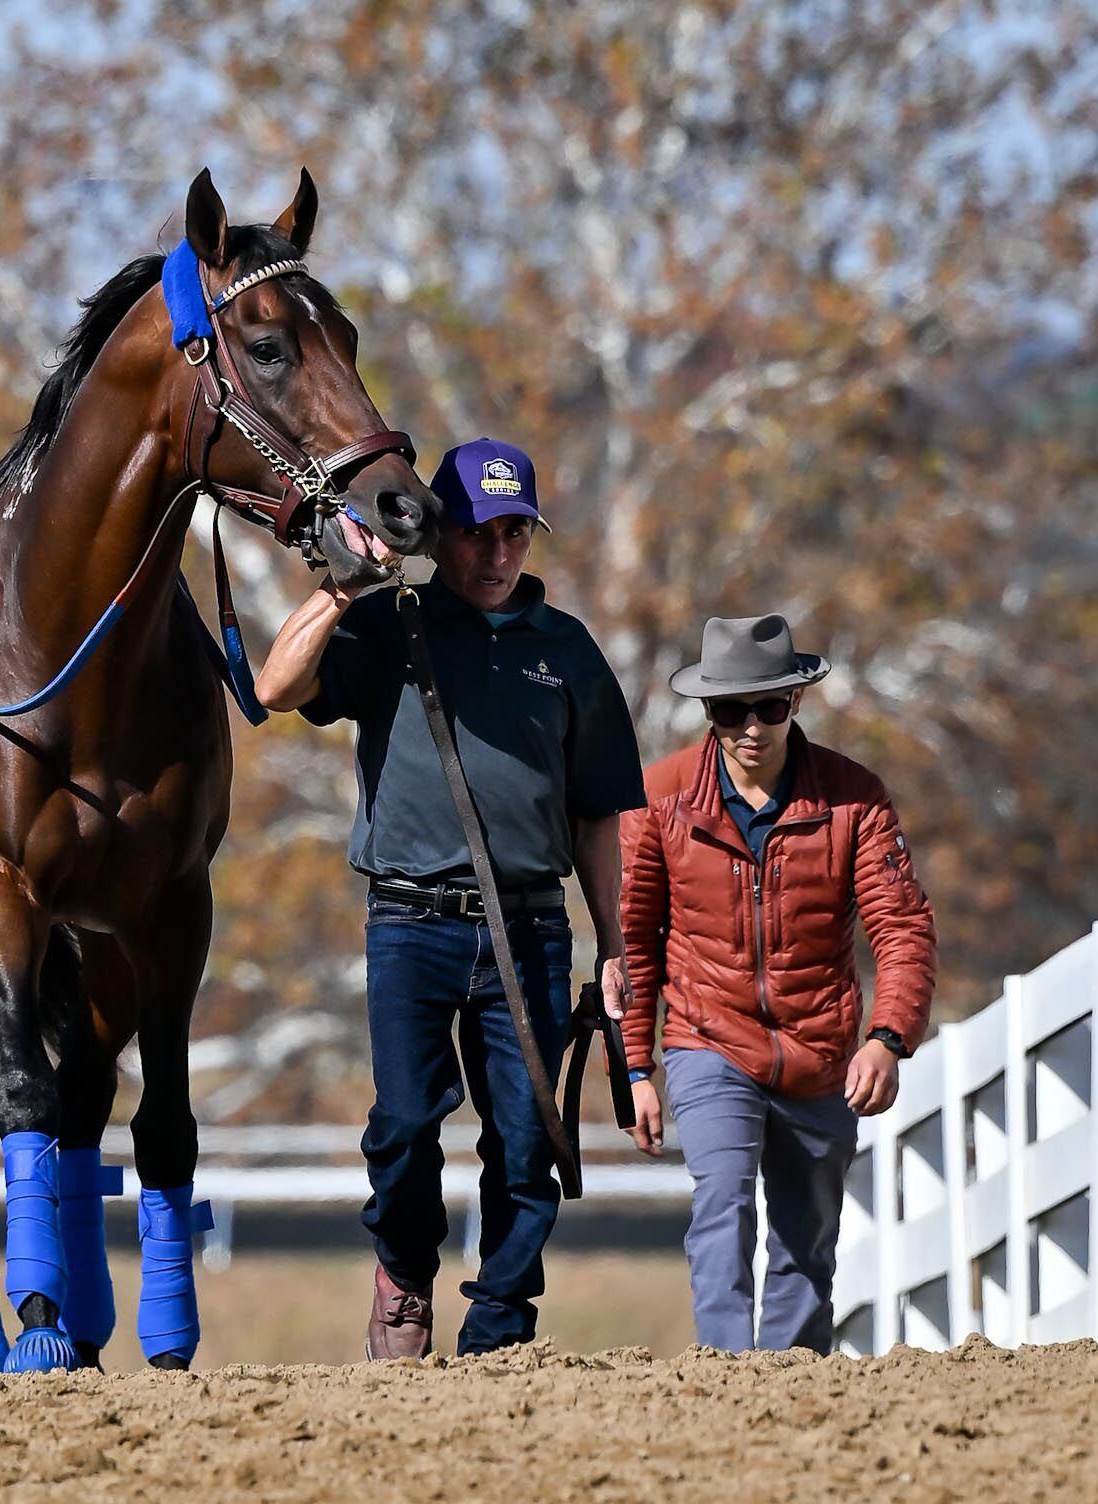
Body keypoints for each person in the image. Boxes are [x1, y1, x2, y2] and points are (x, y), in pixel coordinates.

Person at [255, 437, 644, 1357]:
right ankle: (402, 1274)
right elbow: (274, 686)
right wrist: (344, 582)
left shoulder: (570, 651)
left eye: (516, 532)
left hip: (534, 930)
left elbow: (598, 819)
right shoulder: (391, 624)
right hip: (409, 923)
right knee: (402, 1130)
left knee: (527, 1137)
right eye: (478, 530)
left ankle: (503, 1320)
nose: (499, 552)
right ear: (440, 530)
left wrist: (619, 950)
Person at [612, 614, 936, 1352]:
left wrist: (888, 1038)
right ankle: (726, 1373)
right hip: (707, 1037)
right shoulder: (658, 800)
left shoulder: (856, 800)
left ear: (796, 702)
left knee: (808, 1238)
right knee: (722, 1199)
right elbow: (631, 943)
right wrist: (632, 1066)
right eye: (732, 710)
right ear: (707, 713)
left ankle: (789, 1389)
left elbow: (903, 927)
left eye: (770, 707)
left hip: (820, 1048)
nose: (751, 727)